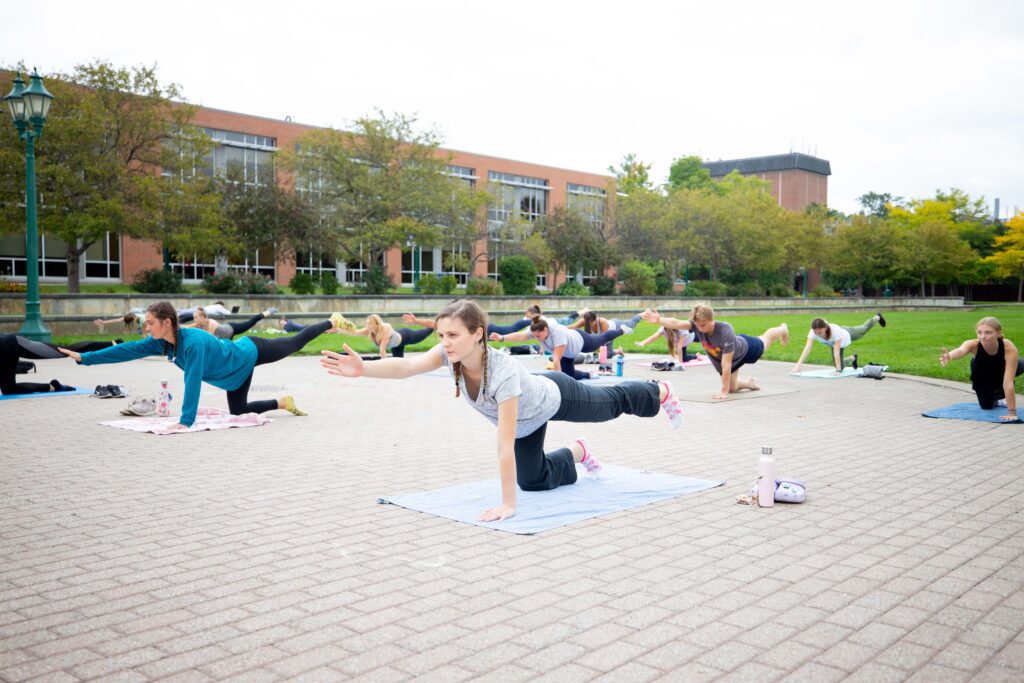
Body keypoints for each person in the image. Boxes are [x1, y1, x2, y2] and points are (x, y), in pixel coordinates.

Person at [319, 300, 684, 522]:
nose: (444, 343)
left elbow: (503, 444)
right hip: (528, 420)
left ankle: (658, 391)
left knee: (611, 404)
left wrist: (508, 504)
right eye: (441, 335)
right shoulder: (451, 357)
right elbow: (407, 367)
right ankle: (578, 452)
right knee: (534, 481)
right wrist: (363, 368)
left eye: (453, 335)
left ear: (478, 333)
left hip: (553, 396)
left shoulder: (503, 374)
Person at [59, 302, 351, 429]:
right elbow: (127, 350)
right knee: (238, 411)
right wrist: (86, 358)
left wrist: (185, 422)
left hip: (249, 352)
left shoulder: (194, 342)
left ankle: (332, 321)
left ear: (167, 322)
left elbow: (193, 380)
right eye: (146, 323)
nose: (147, 329)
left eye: (151, 323)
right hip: (233, 375)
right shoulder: (161, 342)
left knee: (295, 343)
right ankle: (283, 402)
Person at [642, 304, 789, 399]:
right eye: (698, 325)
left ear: (712, 319)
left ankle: (782, 329)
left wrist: (722, 391)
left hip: (745, 349)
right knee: (733, 389)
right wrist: (660, 320)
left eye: (704, 325)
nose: (700, 329)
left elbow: (726, 364)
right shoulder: (697, 325)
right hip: (731, 359)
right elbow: (677, 323)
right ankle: (750, 383)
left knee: (765, 339)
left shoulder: (725, 330)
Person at [940, 316, 1022, 422]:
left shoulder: (1008, 347)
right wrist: (950, 356)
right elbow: (961, 350)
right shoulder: (973, 345)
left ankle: (1002, 398)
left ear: (998, 333)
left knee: (1012, 372)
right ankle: (998, 401)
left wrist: (1012, 413)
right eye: (979, 332)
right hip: (982, 370)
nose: (983, 336)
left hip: (1006, 366)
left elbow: (1008, 382)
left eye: (988, 332)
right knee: (986, 406)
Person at [492, 317, 625, 380]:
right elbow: (521, 336)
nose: (537, 338)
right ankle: (588, 374)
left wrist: (559, 384)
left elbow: (556, 360)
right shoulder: (536, 328)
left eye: (539, 335)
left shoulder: (557, 333)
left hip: (581, 341)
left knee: (600, 340)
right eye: (535, 336)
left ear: (546, 330)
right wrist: (502, 338)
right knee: (570, 376)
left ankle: (621, 330)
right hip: (569, 354)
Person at [1, 333, 117, 395]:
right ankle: (53, 387)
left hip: (13, 343)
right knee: (9, 389)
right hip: (4, 351)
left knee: (66, 351)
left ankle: (113, 344)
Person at [790, 314, 887, 375]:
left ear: (825, 328)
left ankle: (877, 317)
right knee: (839, 366)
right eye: (816, 333)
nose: (818, 335)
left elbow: (836, 352)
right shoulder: (813, 332)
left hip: (848, 334)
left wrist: (838, 371)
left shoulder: (834, 330)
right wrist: (798, 366)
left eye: (820, 333)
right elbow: (807, 348)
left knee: (864, 329)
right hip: (835, 344)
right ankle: (853, 358)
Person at [333, 314, 434, 358]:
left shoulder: (385, 328)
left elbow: (382, 349)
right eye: (366, 323)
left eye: (369, 323)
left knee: (426, 331)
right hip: (396, 345)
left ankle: (436, 324)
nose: (366, 326)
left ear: (376, 324)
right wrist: (337, 329)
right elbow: (354, 332)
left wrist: (383, 365)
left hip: (407, 336)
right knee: (399, 366)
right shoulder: (370, 330)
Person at [569, 311, 641, 357]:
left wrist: (598, 349)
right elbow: (573, 327)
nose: (589, 325)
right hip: (605, 336)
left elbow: (604, 338)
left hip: (615, 327)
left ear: (595, 320)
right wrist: (561, 327)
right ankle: (619, 351)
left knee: (632, 324)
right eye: (587, 323)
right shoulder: (585, 321)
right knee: (607, 355)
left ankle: (640, 316)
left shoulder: (602, 321)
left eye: (591, 323)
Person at [184, 306, 279, 340]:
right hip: (227, 337)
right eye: (194, 318)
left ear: (202, 317)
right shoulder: (199, 324)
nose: (194, 320)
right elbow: (187, 327)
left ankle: (268, 312)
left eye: (196, 317)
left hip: (233, 328)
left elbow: (211, 338)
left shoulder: (211, 323)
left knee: (251, 322)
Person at [634, 326, 702, 363]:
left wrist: (680, 363)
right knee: (684, 358)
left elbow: (679, 347)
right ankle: (696, 356)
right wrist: (643, 343)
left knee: (703, 337)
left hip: (691, 337)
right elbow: (654, 337)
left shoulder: (681, 329)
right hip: (683, 344)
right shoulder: (663, 329)